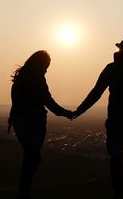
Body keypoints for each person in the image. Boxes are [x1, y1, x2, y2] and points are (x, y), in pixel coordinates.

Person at [73, 39, 123, 199]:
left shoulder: (114, 69)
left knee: (120, 160)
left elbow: (96, 92)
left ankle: (122, 193)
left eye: (121, 50)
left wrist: (79, 110)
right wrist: (79, 110)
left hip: (120, 124)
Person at [7, 50, 73, 199]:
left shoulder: (20, 79)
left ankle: (24, 192)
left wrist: (13, 119)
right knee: (34, 158)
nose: (46, 69)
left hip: (21, 122)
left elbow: (16, 102)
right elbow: (48, 101)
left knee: (30, 157)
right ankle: (24, 192)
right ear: (39, 64)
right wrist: (66, 113)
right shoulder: (37, 79)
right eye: (46, 66)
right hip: (33, 123)